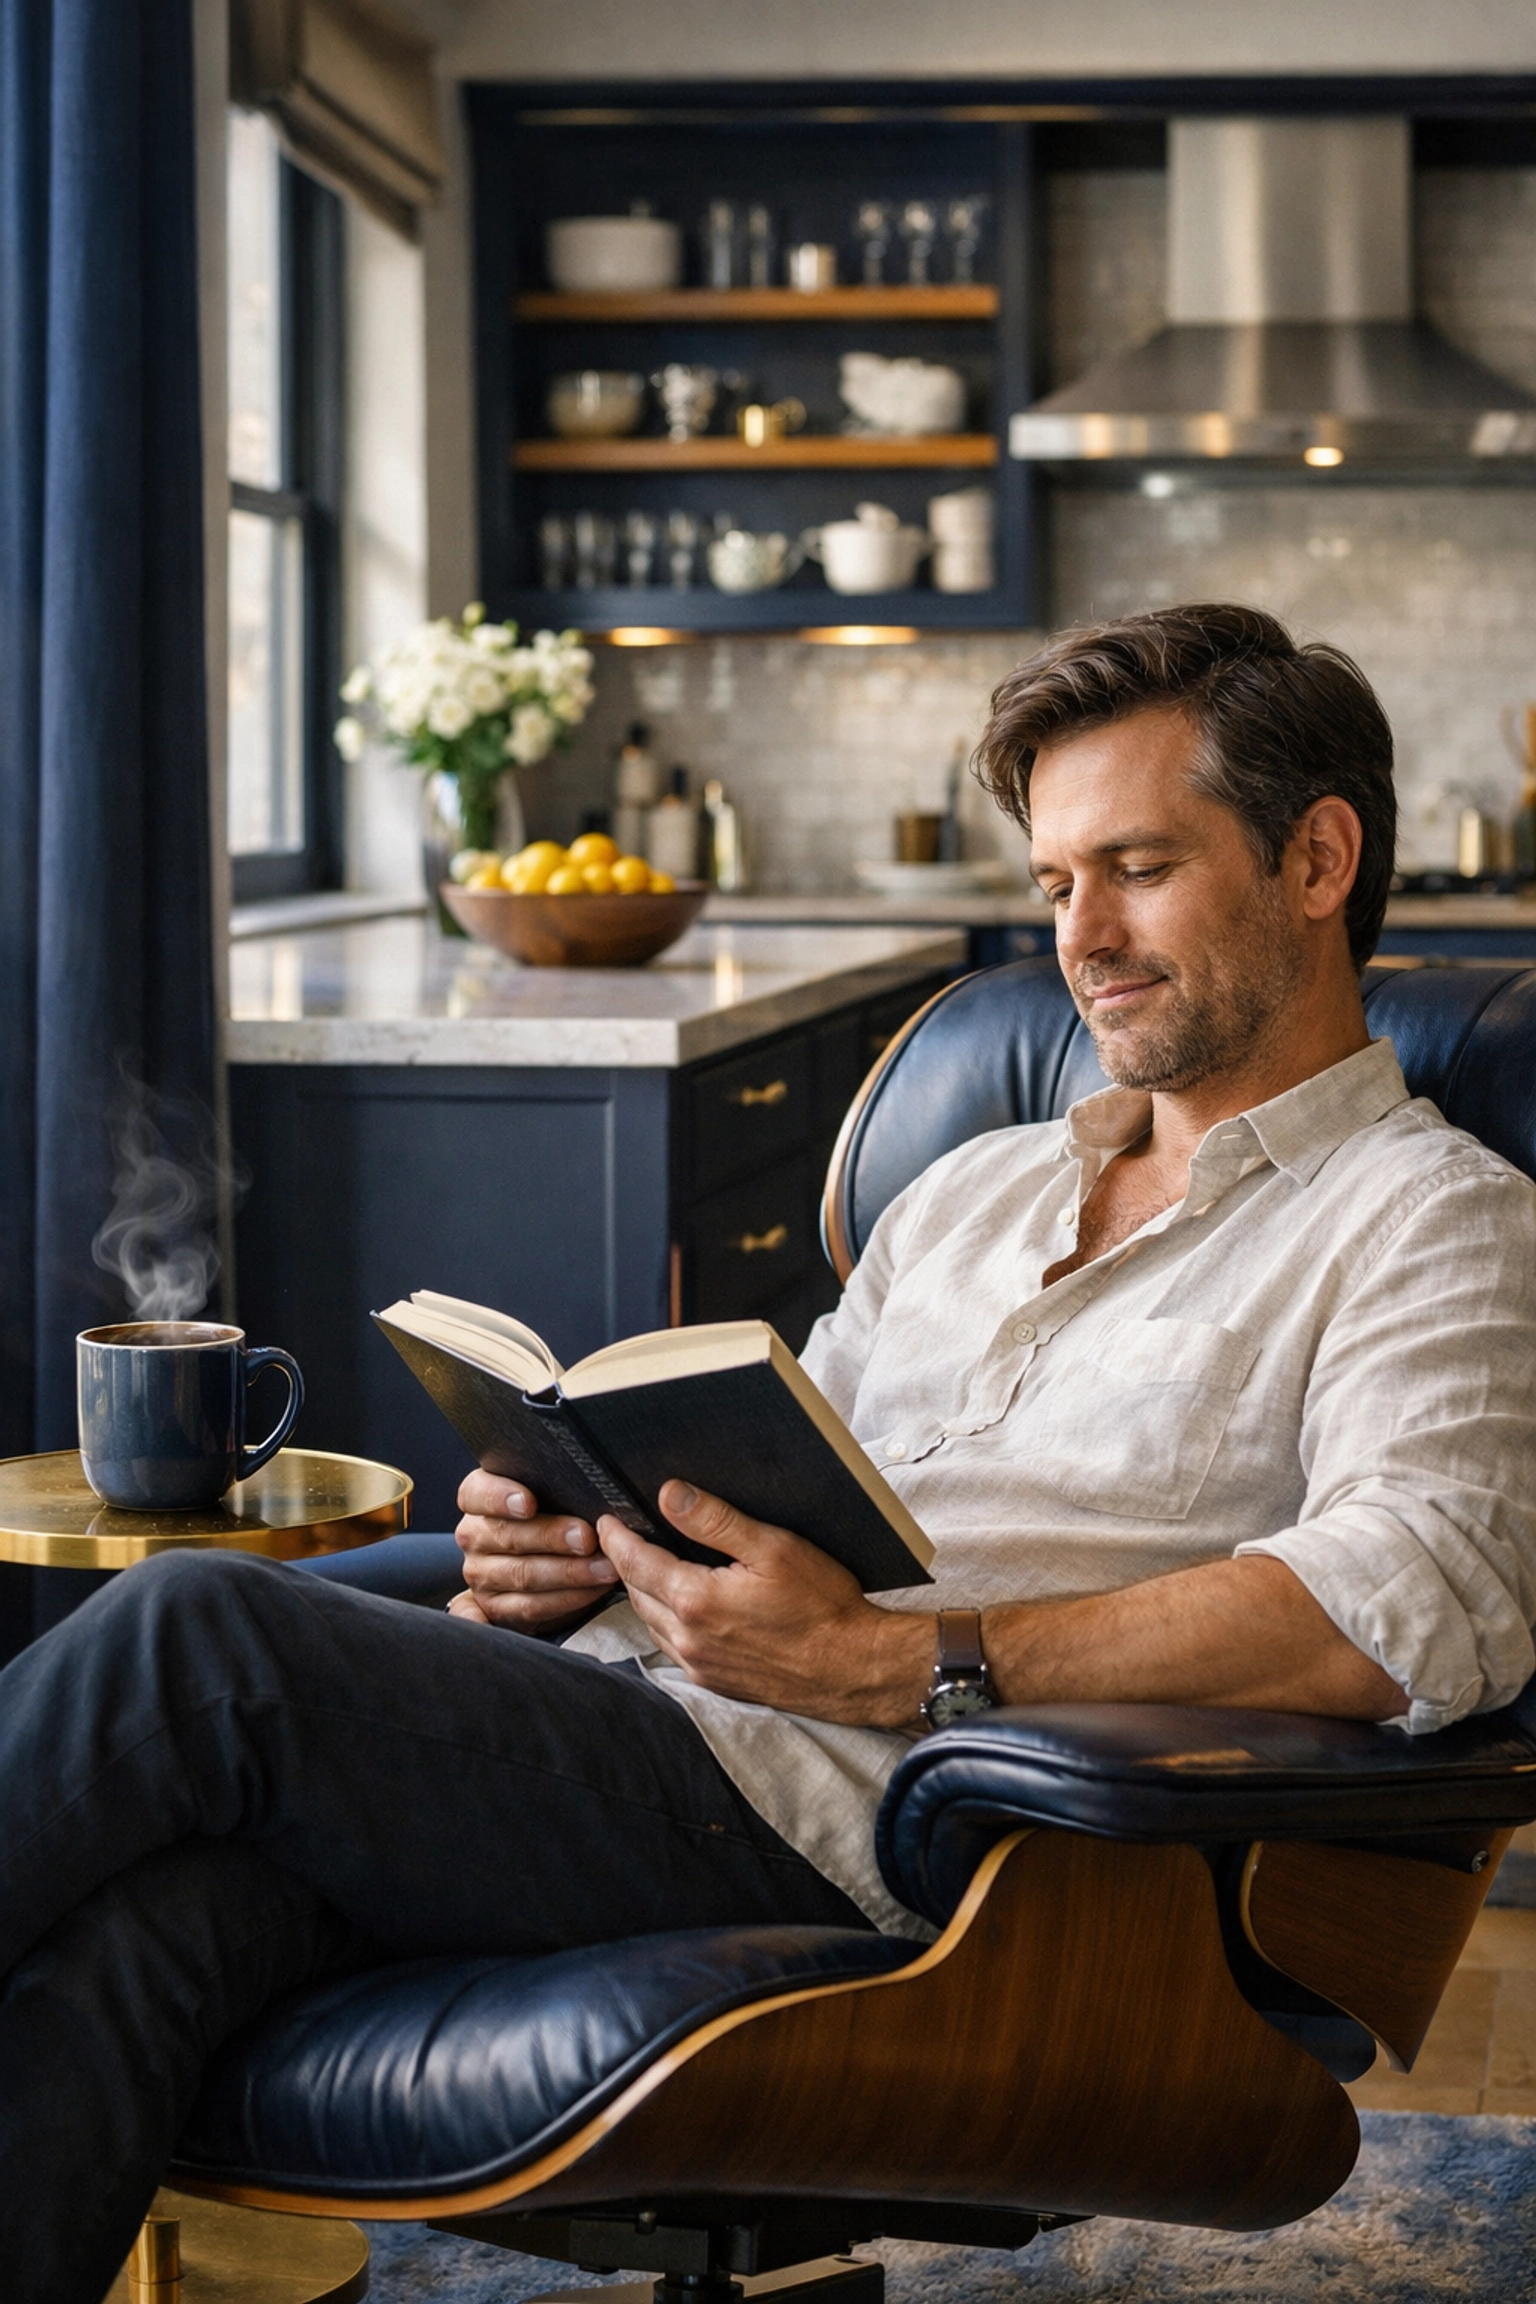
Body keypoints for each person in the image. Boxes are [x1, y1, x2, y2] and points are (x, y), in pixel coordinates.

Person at [4, 603, 1535, 2303]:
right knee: (147, 1939)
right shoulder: (978, 1190)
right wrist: (581, 1546)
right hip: (633, 1725)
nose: (1080, 935)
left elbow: (1417, 1592)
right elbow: (784, 1477)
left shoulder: (1432, 1221)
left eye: (1139, 867)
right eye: (1052, 886)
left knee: (195, 1634)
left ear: (1319, 857)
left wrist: (911, 1664)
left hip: (918, 1854)